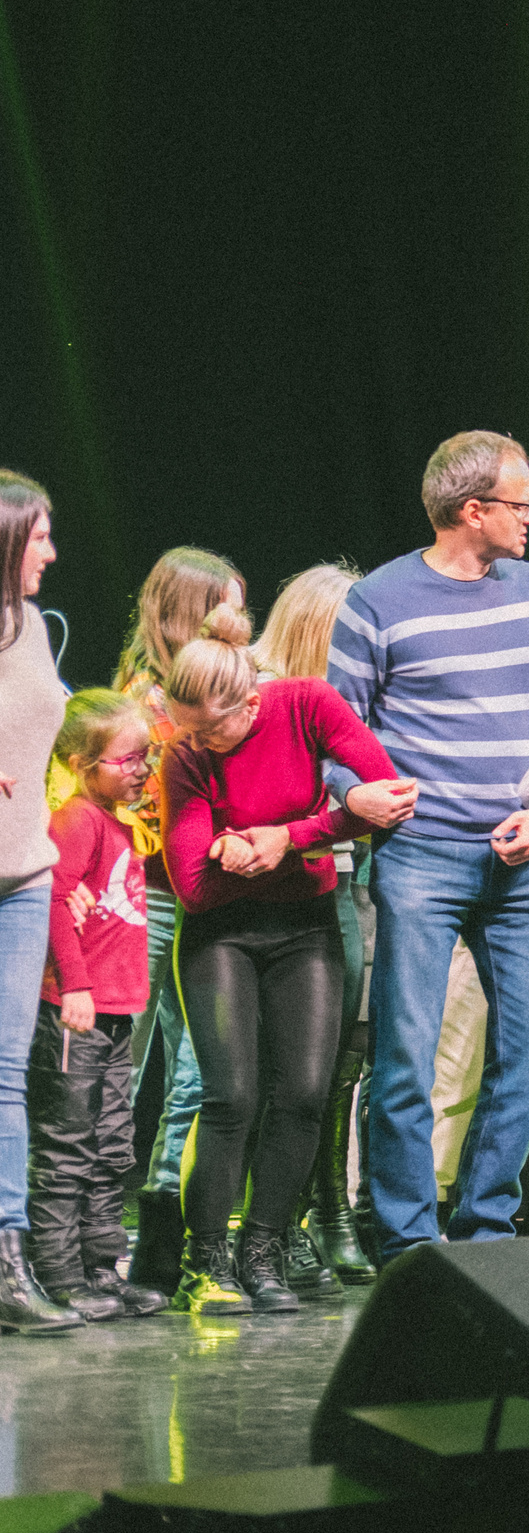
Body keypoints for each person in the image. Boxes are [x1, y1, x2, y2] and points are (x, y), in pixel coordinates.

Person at [328, 430, 529, 1256]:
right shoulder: (377, 600)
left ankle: (481, 1229)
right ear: (472, 510)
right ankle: (405, 1239)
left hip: (522, 856)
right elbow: (337, 736)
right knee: (405, 1054)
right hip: (419, 854)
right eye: (520, 502)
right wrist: (355, 793)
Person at [161, 612, 410, 1313]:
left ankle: (264, 1248)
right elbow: (195, 885)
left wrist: (290, 836)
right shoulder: (185, 756)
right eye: (189, 729)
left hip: (305, 926)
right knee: (232, 1095)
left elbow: (386, 792)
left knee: (304, 1092)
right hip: (222, 934)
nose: (198, 743)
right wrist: (283, 847)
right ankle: (204, 1262)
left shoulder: (305, 704)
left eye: (212, 729)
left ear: (249, 703)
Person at [111, 546, 245, 1295]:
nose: (237, 624)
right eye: (224, 607)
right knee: (121, 1064)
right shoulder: (144, 704)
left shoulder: (235, 695)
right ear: (186, 614)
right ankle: (79, 1230)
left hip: (214, 898)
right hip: (151, 892)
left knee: (197, 1072)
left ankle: (162, 1244)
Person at [250, 562, 375, 1293]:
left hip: (354, 880)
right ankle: (281, 1217)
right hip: (282, 889)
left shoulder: (358, 698)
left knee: (346, 1055)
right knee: (290, 1065)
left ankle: (331, 1209)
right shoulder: (262, 690)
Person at [30, 690, 165, 1321]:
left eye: (147, 755)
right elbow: (55, 900)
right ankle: (58, 1273)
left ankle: (100, 1269)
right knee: (69, 1144)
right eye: (128, 759)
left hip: (116, 1011)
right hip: (75, 1011)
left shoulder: (118, 823)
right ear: (85, 763)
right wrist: (76, 984)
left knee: (113, 1142)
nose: (141, 768)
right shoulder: (79, 819)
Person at [0, 470, 76, 1334]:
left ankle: (8, 1262)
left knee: (5, 1071)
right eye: (41, 534)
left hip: (22, 874)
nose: (52, 551)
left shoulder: (30, 630)